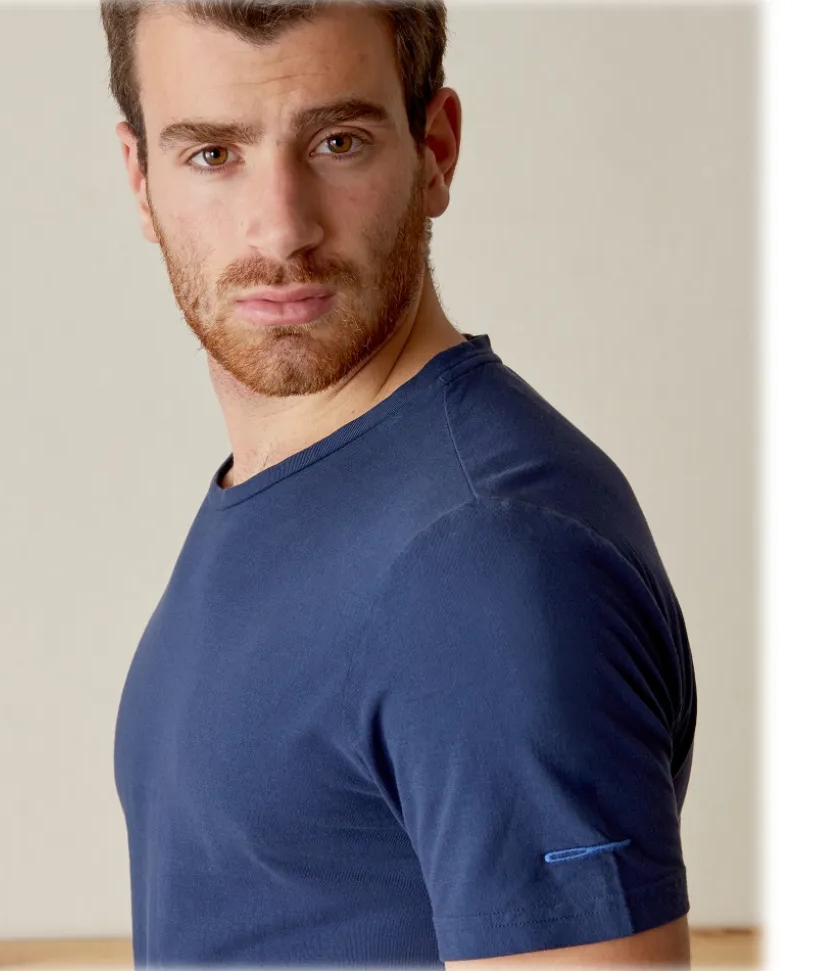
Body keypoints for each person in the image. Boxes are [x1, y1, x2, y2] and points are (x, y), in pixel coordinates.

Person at [101, 1, 697, 967]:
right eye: (212, 154)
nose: (280, 228)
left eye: (337, 141)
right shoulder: (293, 489)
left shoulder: (487, 561)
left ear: (436, 150)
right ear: (140, 179)